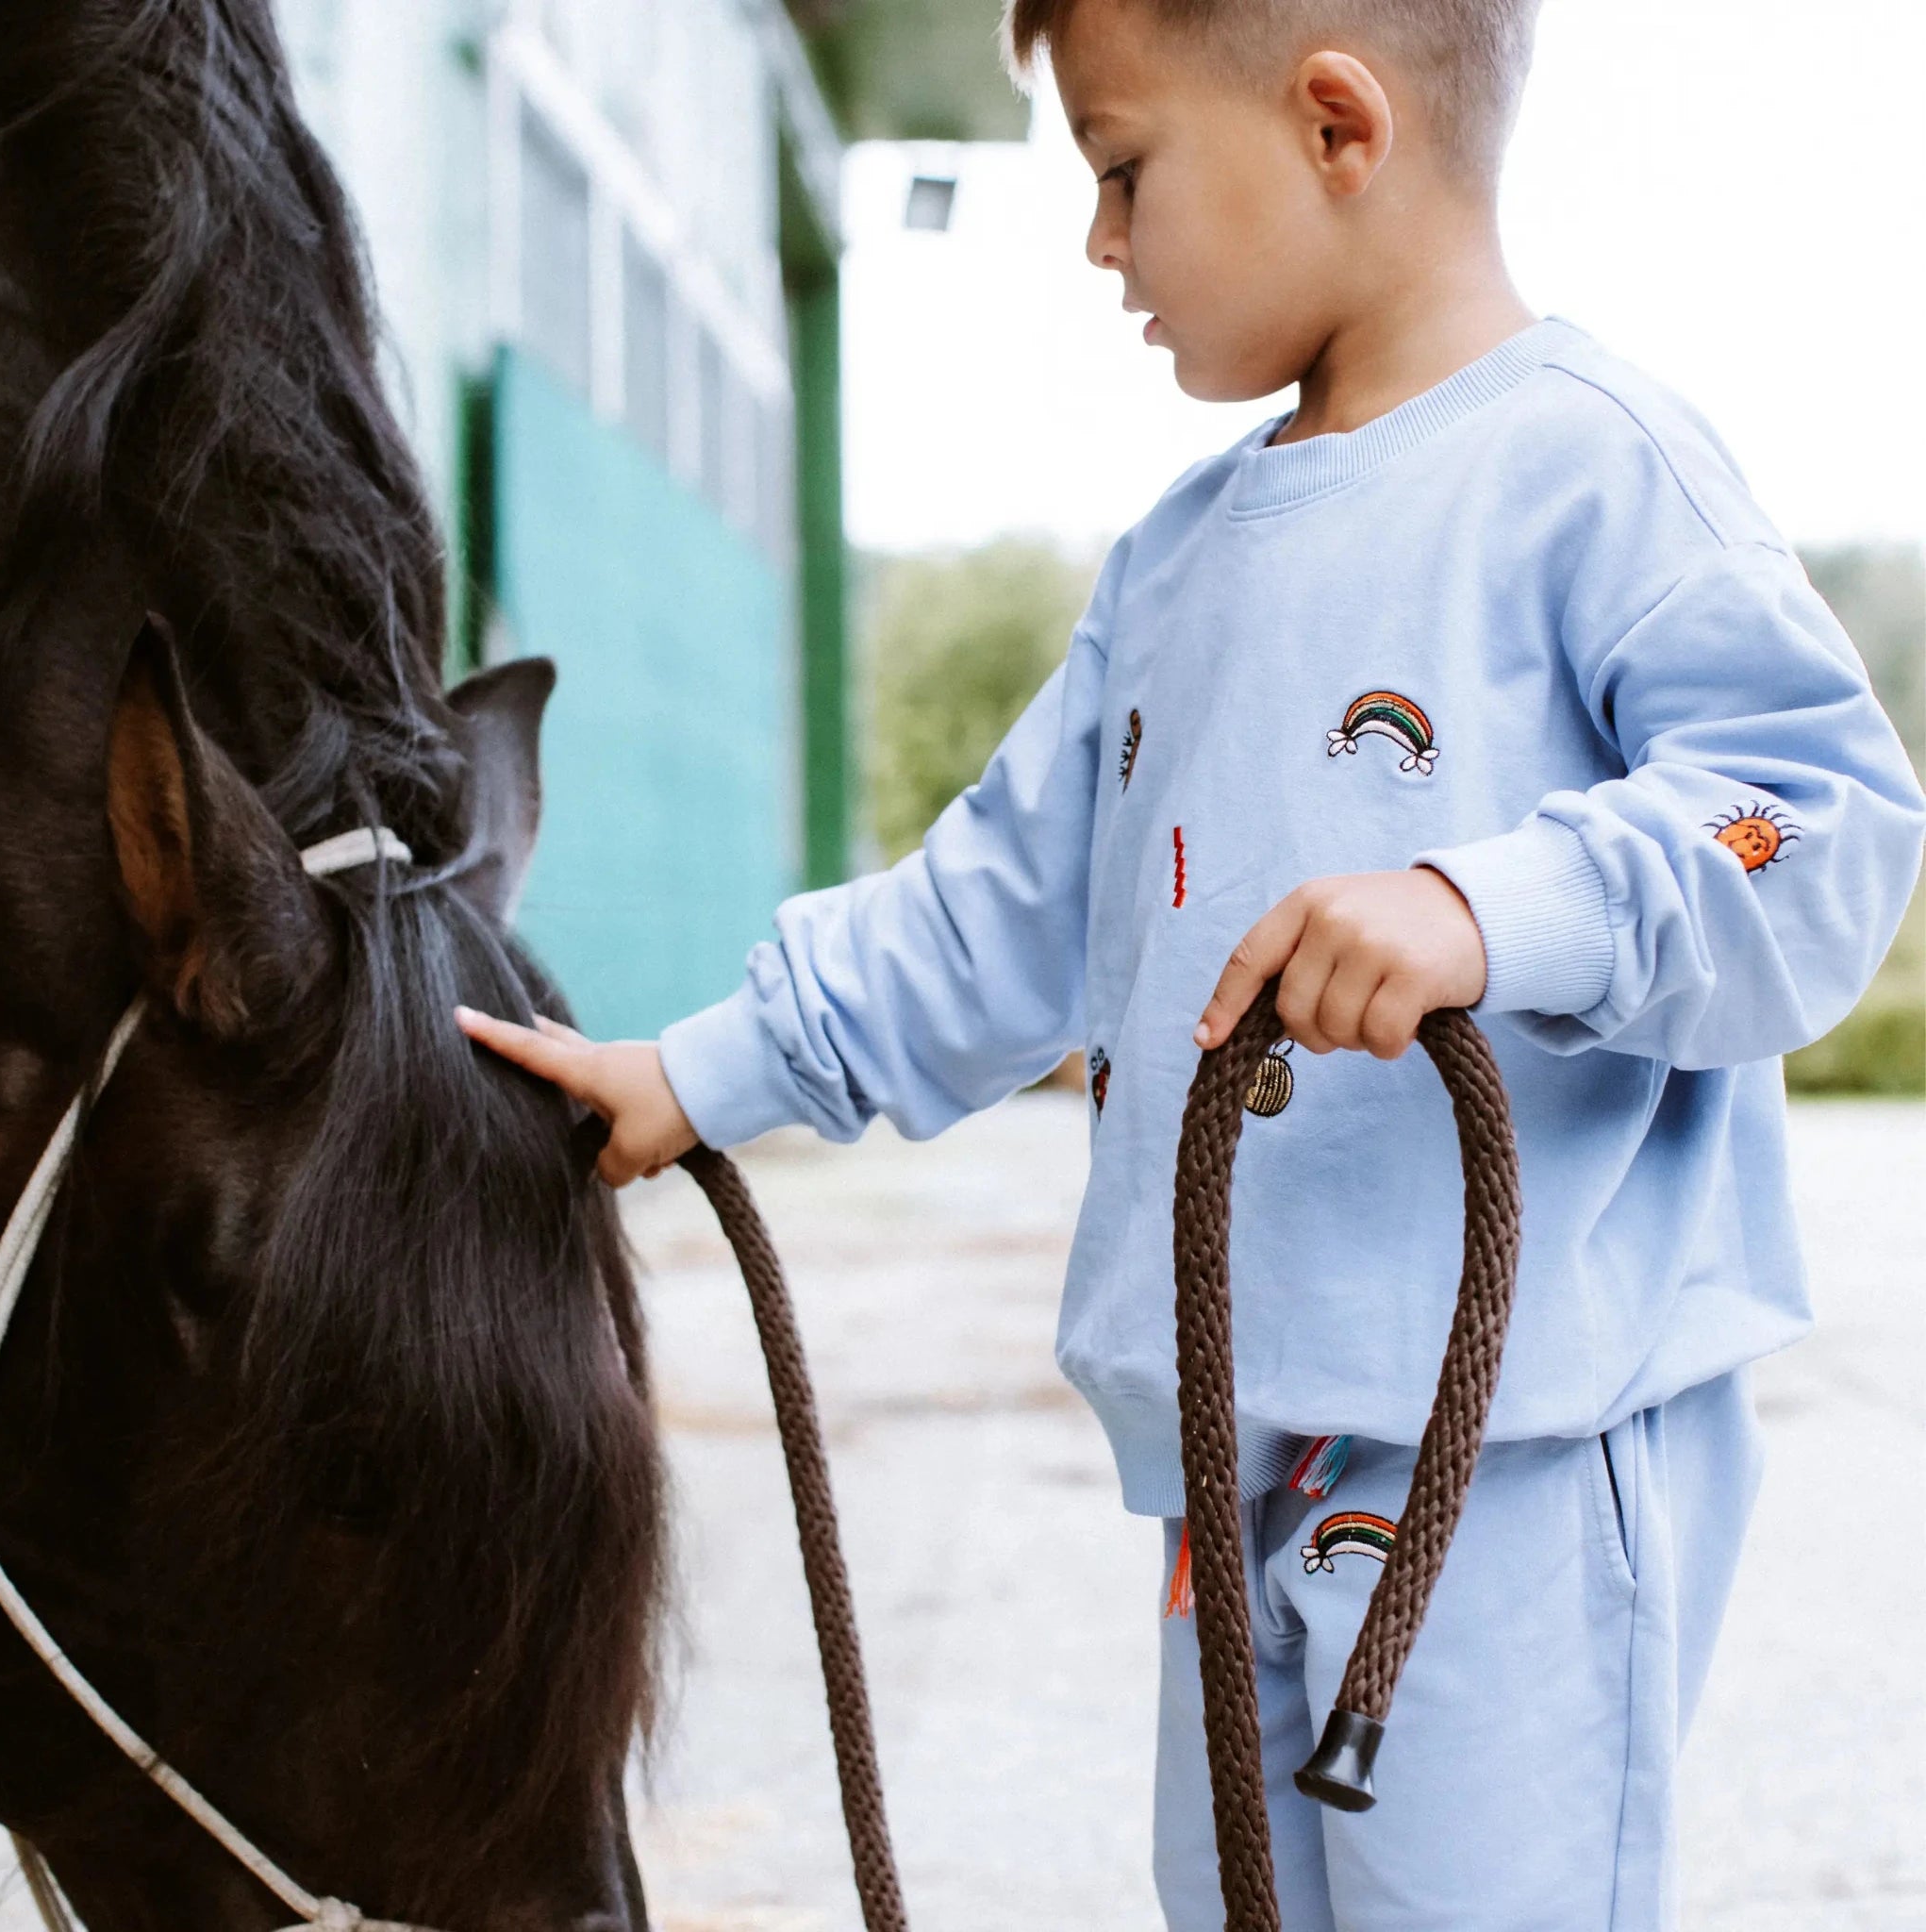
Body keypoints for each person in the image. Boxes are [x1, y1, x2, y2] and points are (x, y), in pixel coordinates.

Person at [456, 0, 1926, 1923]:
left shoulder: (1591, 467)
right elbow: (995, 904)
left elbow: (1811, 818)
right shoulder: (1169, 564)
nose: (1096, 243)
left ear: (1334, 123)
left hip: (1512, 1474)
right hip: (1228, 1462)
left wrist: (1494, 909)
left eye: (1120, 170)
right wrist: (706, 1067)